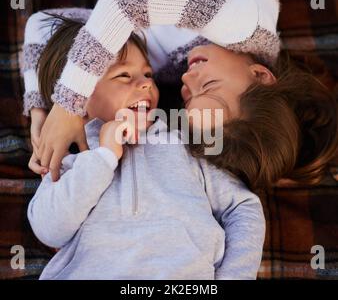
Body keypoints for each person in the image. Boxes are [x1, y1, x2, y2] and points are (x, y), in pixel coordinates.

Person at [27, 16, 266, 279]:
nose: (146, 84)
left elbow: (242, 207)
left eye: (148, 74)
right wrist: (103, 157)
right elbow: (49, 229)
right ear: (77, 96)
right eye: (123, 75)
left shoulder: (185, 143)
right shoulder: (69, 160)